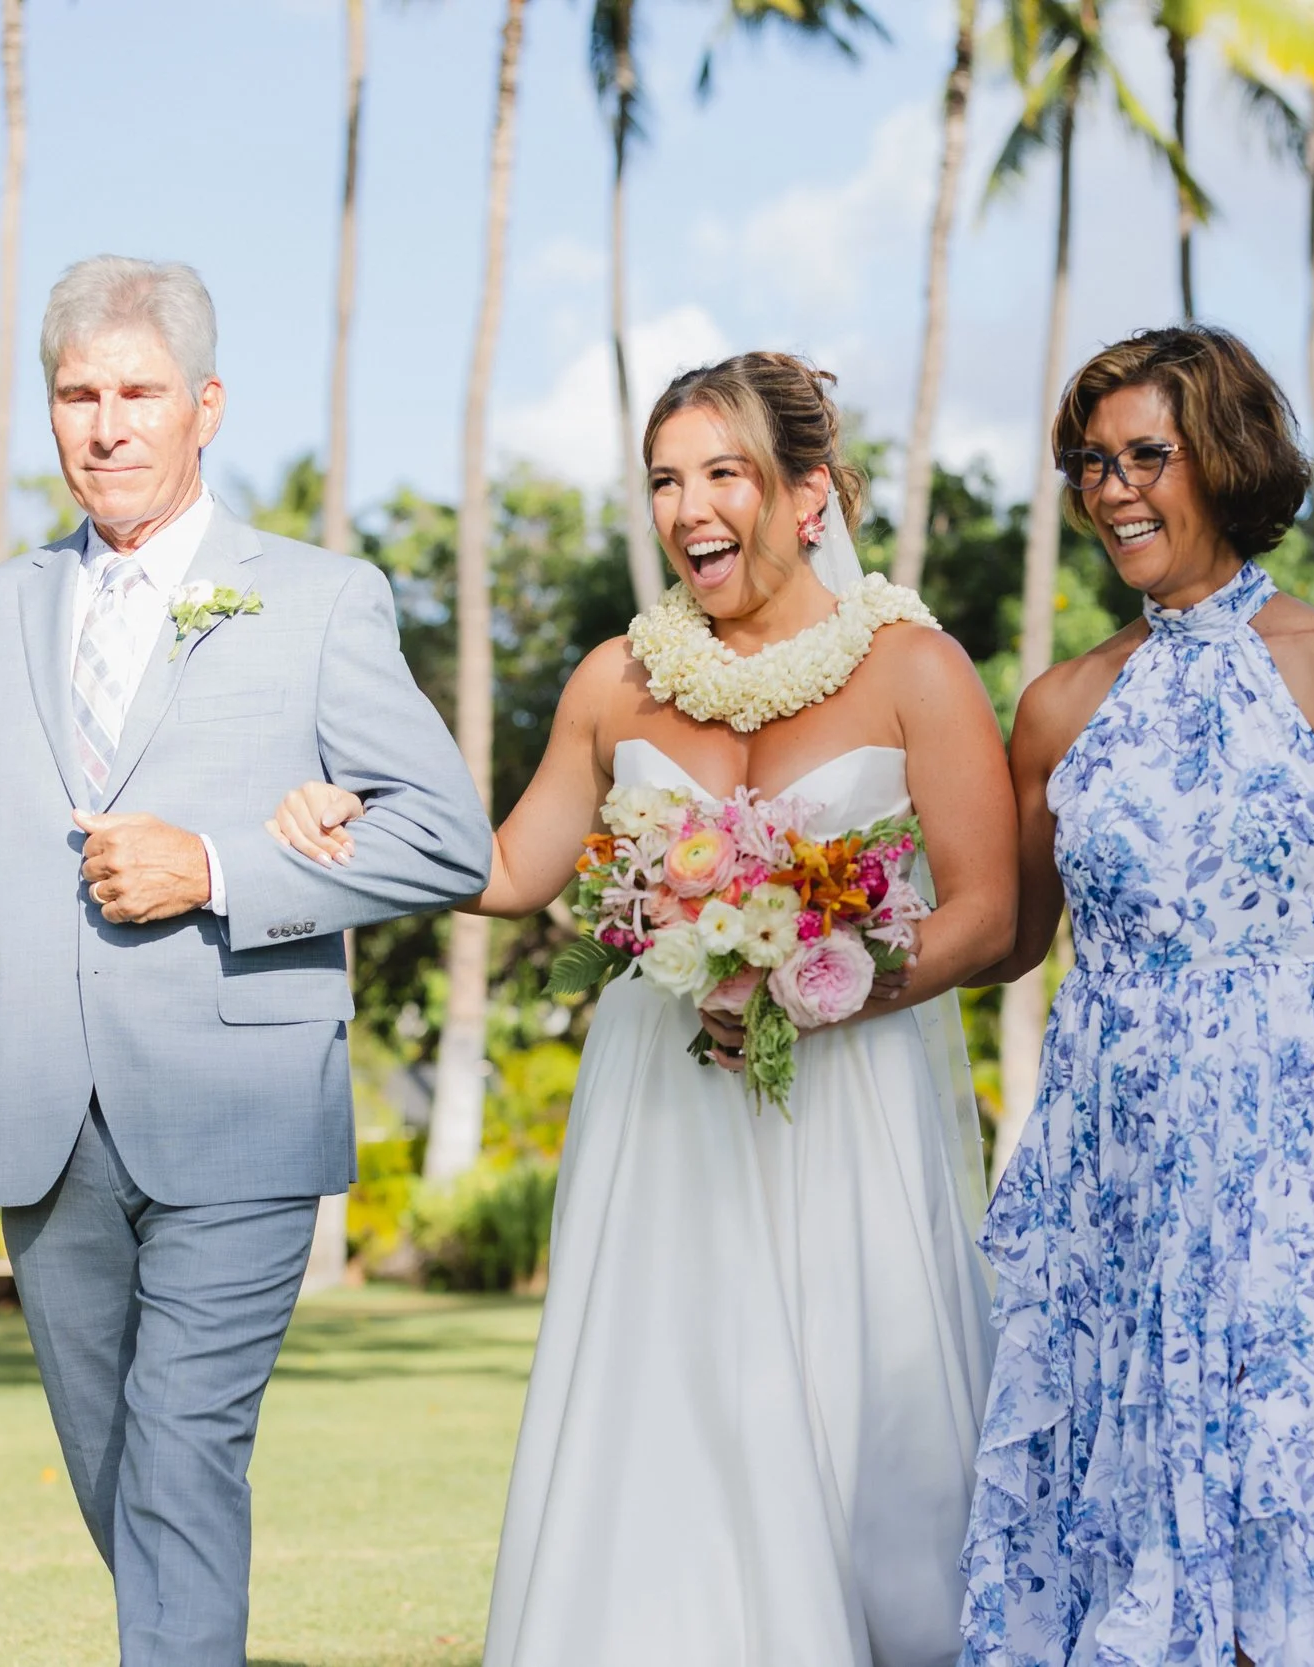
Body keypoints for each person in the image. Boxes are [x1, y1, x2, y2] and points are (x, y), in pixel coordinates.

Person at [271, 352, 1014, 1665]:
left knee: (861, 1436)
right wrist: (349, 823)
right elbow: (506, 872)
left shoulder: (915, 665)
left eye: (722, 472)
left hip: (845, 1110)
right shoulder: (617, 680)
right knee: (667, 1418)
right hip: (663, 1105)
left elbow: (987, 909)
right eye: (666, 480)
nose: (688, 508)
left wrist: (837, 987)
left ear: (806, 493)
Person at [0, 256, 493, 1665]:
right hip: (43, 1125)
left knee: (181, 1452)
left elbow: (447, 839)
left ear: (206, 406)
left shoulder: (317, 600)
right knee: (118, 1470)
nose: (107, 424)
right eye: (78, 394)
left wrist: (223, 867)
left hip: (240, 1113)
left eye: (137, 392)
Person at [960, 325, 1314, 1667]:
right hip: (1108, 1168)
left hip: (1298, 1160)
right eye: (1088, 464)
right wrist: (821, 944)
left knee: (1287, 1502)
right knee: (1116, 1521)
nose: (1112, 489)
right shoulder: (1058, 708)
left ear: (1222, 461)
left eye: (1143, 457)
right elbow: (1006, 933)